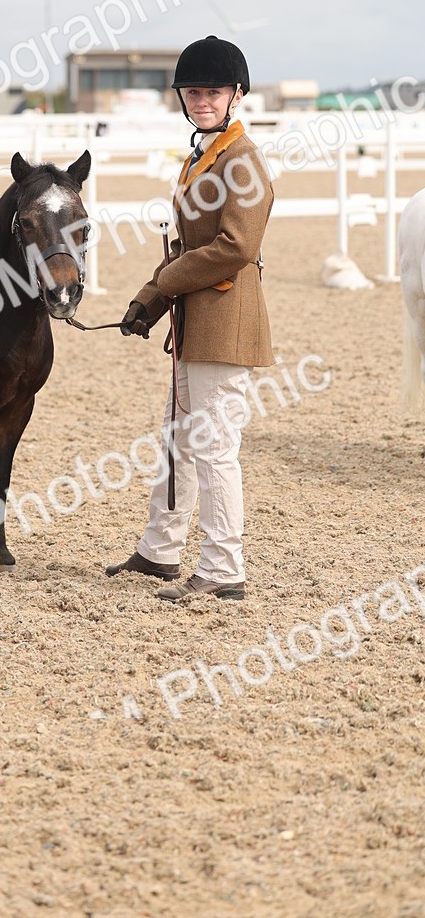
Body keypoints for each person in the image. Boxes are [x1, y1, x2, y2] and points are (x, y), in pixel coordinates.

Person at [106, 35, 273, 601]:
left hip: (224, 320)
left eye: (213, 92)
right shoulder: (204, 155)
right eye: (194, 92)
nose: (202, 101)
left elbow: (236, 247)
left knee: (215, 447)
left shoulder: (242, 160)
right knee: (179, 439)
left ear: (236, 95)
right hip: (193, 321)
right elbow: (186, 245)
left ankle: (224, 568)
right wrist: (149, 301)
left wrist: (164, 286)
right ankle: (160, 550)